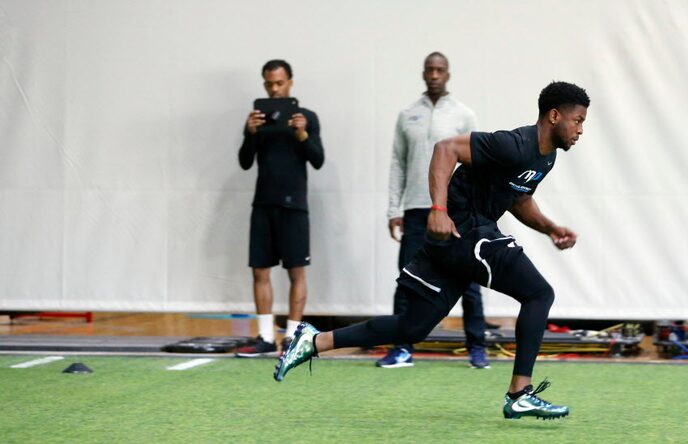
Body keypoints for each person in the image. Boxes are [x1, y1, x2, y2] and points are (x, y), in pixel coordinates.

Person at [277, 81, 589, 421]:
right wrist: (438, 210)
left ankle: (313, 341)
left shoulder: (546, 159)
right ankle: (519, 393)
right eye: (577, 120)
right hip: (465, 231)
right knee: (539, 294)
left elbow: (518, 198)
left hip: (461, 240)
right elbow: (445, 149)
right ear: (554, 115)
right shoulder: (513, 144)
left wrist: (550, 228)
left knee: (412, 328)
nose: (580, 130)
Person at [381, 51, 489, 369]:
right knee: (407, 280)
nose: (434, 74)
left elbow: (477, 166)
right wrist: (393, 209)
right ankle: (401, 348)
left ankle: (477, 348)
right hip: (416, 209)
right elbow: (397, 163)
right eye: (430, 69)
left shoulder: (464, 115)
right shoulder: (407, 115)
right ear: (423, 73)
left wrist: (475, 211)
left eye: (440, 70)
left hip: (455, 211)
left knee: (468, 280)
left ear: (448, 74)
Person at [235, 59, 325, 357]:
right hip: (263, 203)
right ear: (264, 84)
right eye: (269, 84)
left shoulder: (307, 117)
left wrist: (302, 134)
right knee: (260, 271)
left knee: (296, 272)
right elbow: (245, 161)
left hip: (294, 206)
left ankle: (292, 337)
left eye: (280, 83)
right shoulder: (258, 119)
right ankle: (264, 336)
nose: (275, 89)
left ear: (290, 82)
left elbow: (318, 159)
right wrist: (250, 133)